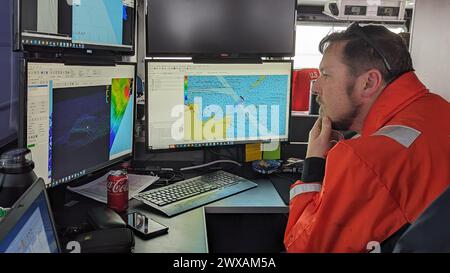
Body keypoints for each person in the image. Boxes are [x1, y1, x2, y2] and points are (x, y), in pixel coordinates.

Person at [284, 22, 450, 253]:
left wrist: (313, 163)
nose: (315, 88)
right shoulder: (440, 108)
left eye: (326, 75)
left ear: (369, 83)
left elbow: (303, 247)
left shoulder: (362, 158)